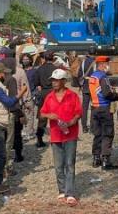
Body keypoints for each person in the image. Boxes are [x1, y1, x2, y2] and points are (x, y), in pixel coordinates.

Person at [39, 69, 82, 207]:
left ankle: (70, 193)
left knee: (70, 163)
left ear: (64, 81)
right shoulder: (49, 97)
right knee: (58, 165)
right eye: (53, 80)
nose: (54, 83)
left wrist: (72, 121)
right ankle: (62, 190)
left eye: (56, 80)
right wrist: (48, 115)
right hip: (56, 135)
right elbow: (41, 113)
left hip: (70, 134)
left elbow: (78, 112)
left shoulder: (72, 96)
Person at [0, 63, 27, 193]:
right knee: (0, 155)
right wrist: (21, 93)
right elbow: (9, 102)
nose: (6, 75)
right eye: (4, 73)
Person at [88, 56, 118, 170]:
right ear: (102, 64)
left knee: (97, 134)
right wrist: (116, 96)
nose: (108, 66)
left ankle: (96, 158)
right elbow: (107, 93)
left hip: (94, 108)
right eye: (107, 63)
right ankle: (106, 160)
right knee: (107, 134)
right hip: (104, 108)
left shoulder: (92, 76)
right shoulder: (103, 77)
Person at [34, 51, 57, 148]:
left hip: (43, 93)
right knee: (56, 116)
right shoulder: (55, 69)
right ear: (52, 58)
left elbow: (36, 83)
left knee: (42, 117)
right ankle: (56, 139)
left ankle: (39, 139)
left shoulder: (39, 69)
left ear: (44, 58)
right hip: (53, 93)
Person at [77, 54, 95, 134]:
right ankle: (92, 127)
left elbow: (79, 74)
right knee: (94, 107)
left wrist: (80, 85)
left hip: (85, 86)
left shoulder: (83, 62)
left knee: (84, 108)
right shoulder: (95, 62)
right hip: (93, 85)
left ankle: (84, 127)